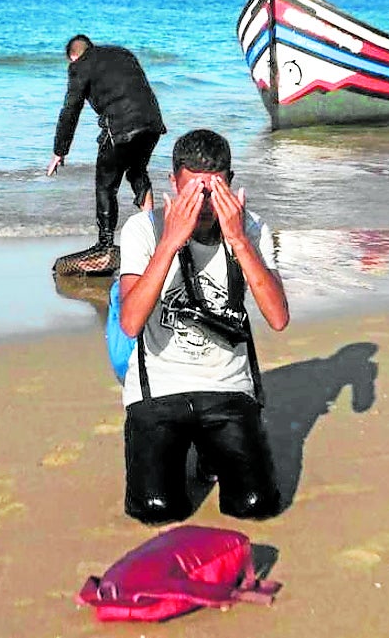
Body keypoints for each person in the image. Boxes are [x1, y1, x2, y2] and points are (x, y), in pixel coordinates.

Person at [116, 128, 289, 524]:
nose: (204, 205)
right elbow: (130, 322)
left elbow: (278, 318)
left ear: (230, 184)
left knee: (255, 505)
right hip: (159, 389)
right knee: (157, 510)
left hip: (228, 387)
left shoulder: (252, 227)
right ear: (173, 183)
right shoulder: (143, 229)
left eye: (214, 192)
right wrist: (170, 242)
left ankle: (213, 451)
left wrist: (239, 240)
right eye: (193, 192)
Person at [47, 34, 166, 250]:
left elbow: (71, 109)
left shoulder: (80, 66)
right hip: (152, 122)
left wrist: (59, 150)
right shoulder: (122, 53)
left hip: (121, 127)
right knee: (137, 171)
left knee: (105, 184)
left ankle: (106, 244)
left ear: (74, 56)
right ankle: (151, 232)